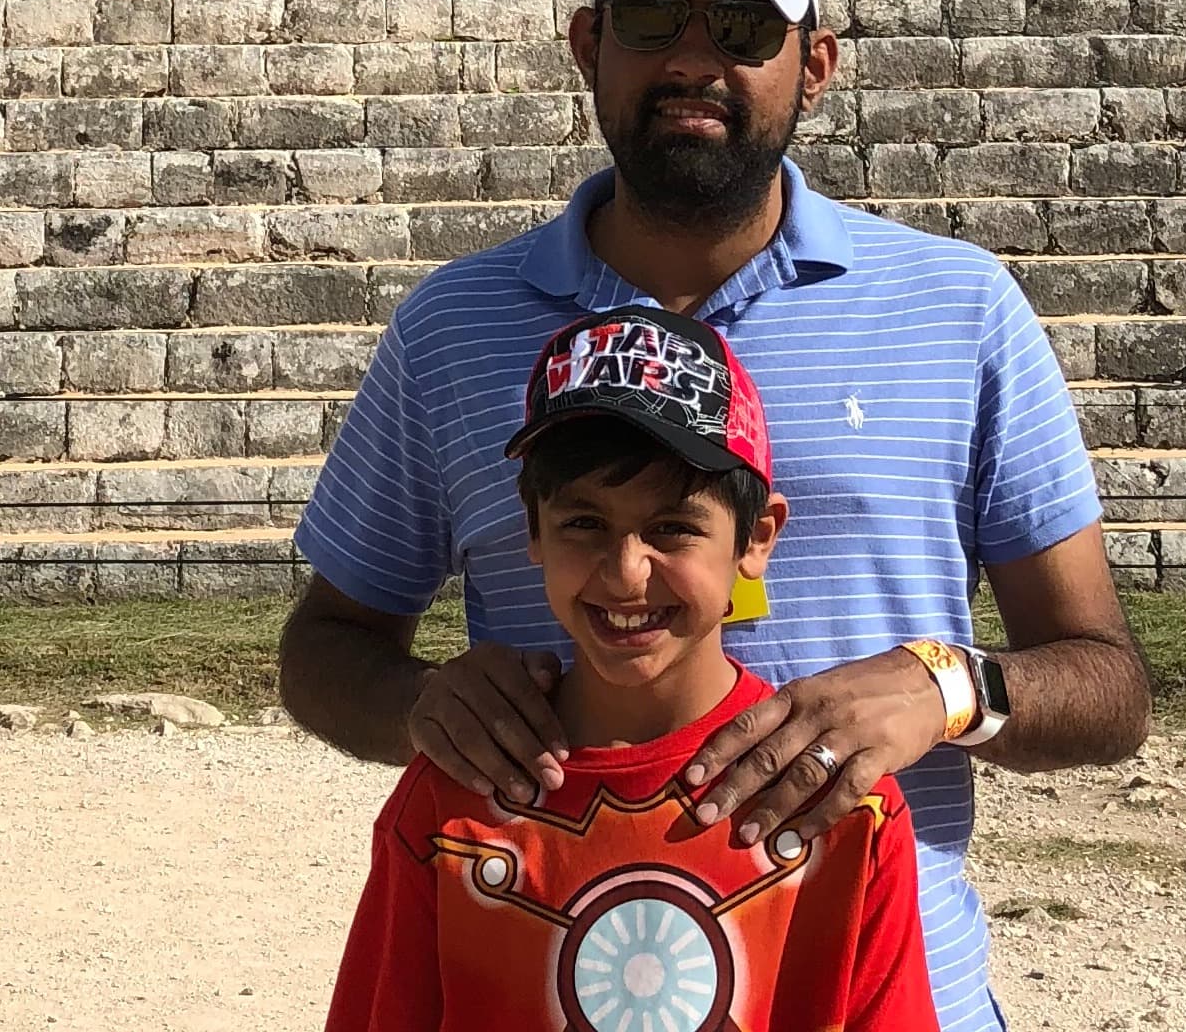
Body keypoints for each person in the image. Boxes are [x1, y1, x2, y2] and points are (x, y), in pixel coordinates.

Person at [281, 0, 1151, 1032]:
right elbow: (327, 647)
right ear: (589, 44)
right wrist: (429, 704)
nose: (695, 59)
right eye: (654, 18)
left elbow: (1108, 682)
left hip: (884, 992)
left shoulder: (959, 308)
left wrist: (949, 688)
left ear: (816, 63)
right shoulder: (452, 329)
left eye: (743, 24)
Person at [322, 307, 938, 1032]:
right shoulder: (450, 803)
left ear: (756, 537)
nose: (625, 573)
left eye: (673, 527)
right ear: (532, 533)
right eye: (584, 524)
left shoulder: (841, 810)